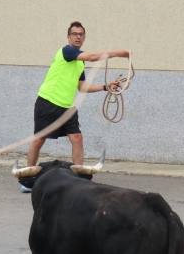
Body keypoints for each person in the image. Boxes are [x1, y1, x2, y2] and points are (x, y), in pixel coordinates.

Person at [23, 21, 129, 192]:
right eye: (75, 34)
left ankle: (79, 181)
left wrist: (105, 87)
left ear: (84, 37)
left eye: (81, 34)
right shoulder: (67, 51)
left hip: (67, 106)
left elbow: (82, 87)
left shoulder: (79, 62)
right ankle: (27, 180)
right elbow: (93, 57)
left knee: (77, 138)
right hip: (47, 102)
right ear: (69, 37)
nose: (78, 37)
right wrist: (119, 53)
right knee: (39, 140)